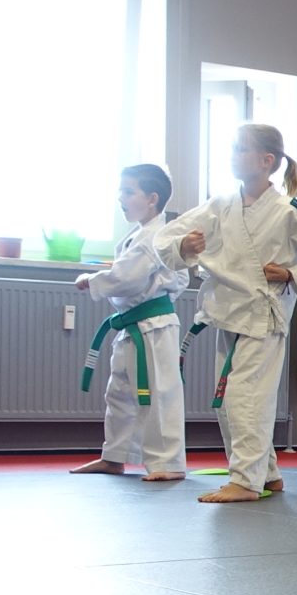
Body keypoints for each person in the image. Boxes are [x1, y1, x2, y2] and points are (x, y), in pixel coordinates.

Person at [153, 125, 297, 504]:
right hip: (227, 312)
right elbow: (165, 237)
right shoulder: (220, 204)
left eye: (240, 149)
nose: (233, 155)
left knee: (245, 398)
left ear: (267, 161)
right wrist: (184, 245)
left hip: (262, 316)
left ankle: (246, 480)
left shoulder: (291, 210)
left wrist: (291, 274)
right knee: (228, 400)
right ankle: (266, 473)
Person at [72, 163, 190, 483]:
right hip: (133, 324)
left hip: (155, 326)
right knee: (120, 392)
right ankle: (115, 456)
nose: (120, 198)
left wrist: (93, 280)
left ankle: (169, 463)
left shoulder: (158, 236)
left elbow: (128, 277)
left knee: (159, 393)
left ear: (152, 199)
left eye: (128, 191)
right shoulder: (139, 235)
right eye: (120, 191)